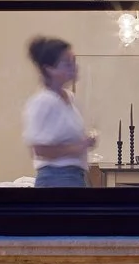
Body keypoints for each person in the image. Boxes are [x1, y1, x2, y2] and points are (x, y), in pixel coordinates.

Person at [22, 35, 96, 187]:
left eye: (74, 62)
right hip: (56, 178)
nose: (74, 67)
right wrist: (79, 146)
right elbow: (39, 150)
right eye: (67, 64)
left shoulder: (70, 98)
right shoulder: (42, 101)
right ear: (50, 69)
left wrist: (85, 142)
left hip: (76, 175)